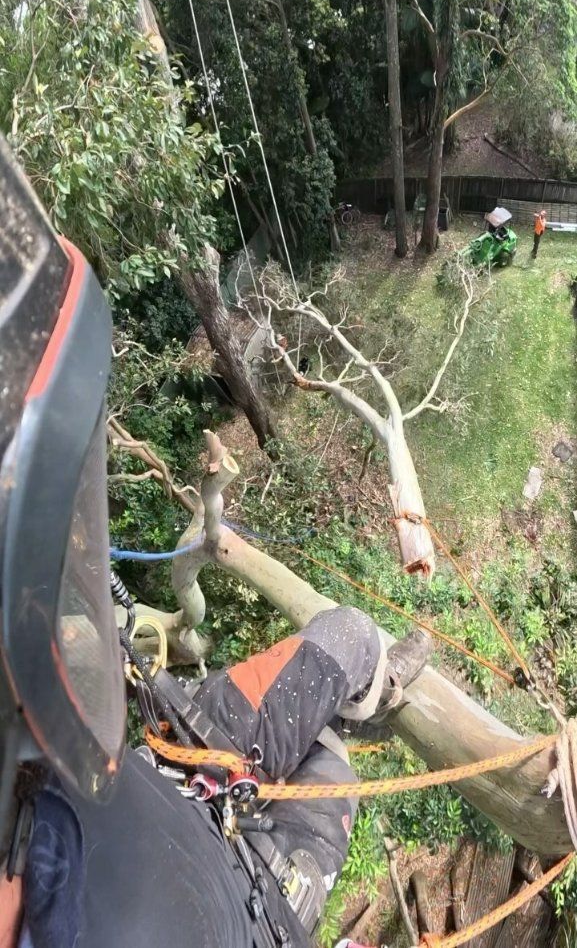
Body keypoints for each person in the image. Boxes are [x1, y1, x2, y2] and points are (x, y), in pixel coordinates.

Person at [0, 136, 431, 948]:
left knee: (343, 643)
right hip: (239, 895)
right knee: (330, 772)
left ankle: (362, 696)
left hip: (168, 756)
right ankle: (356, 710)